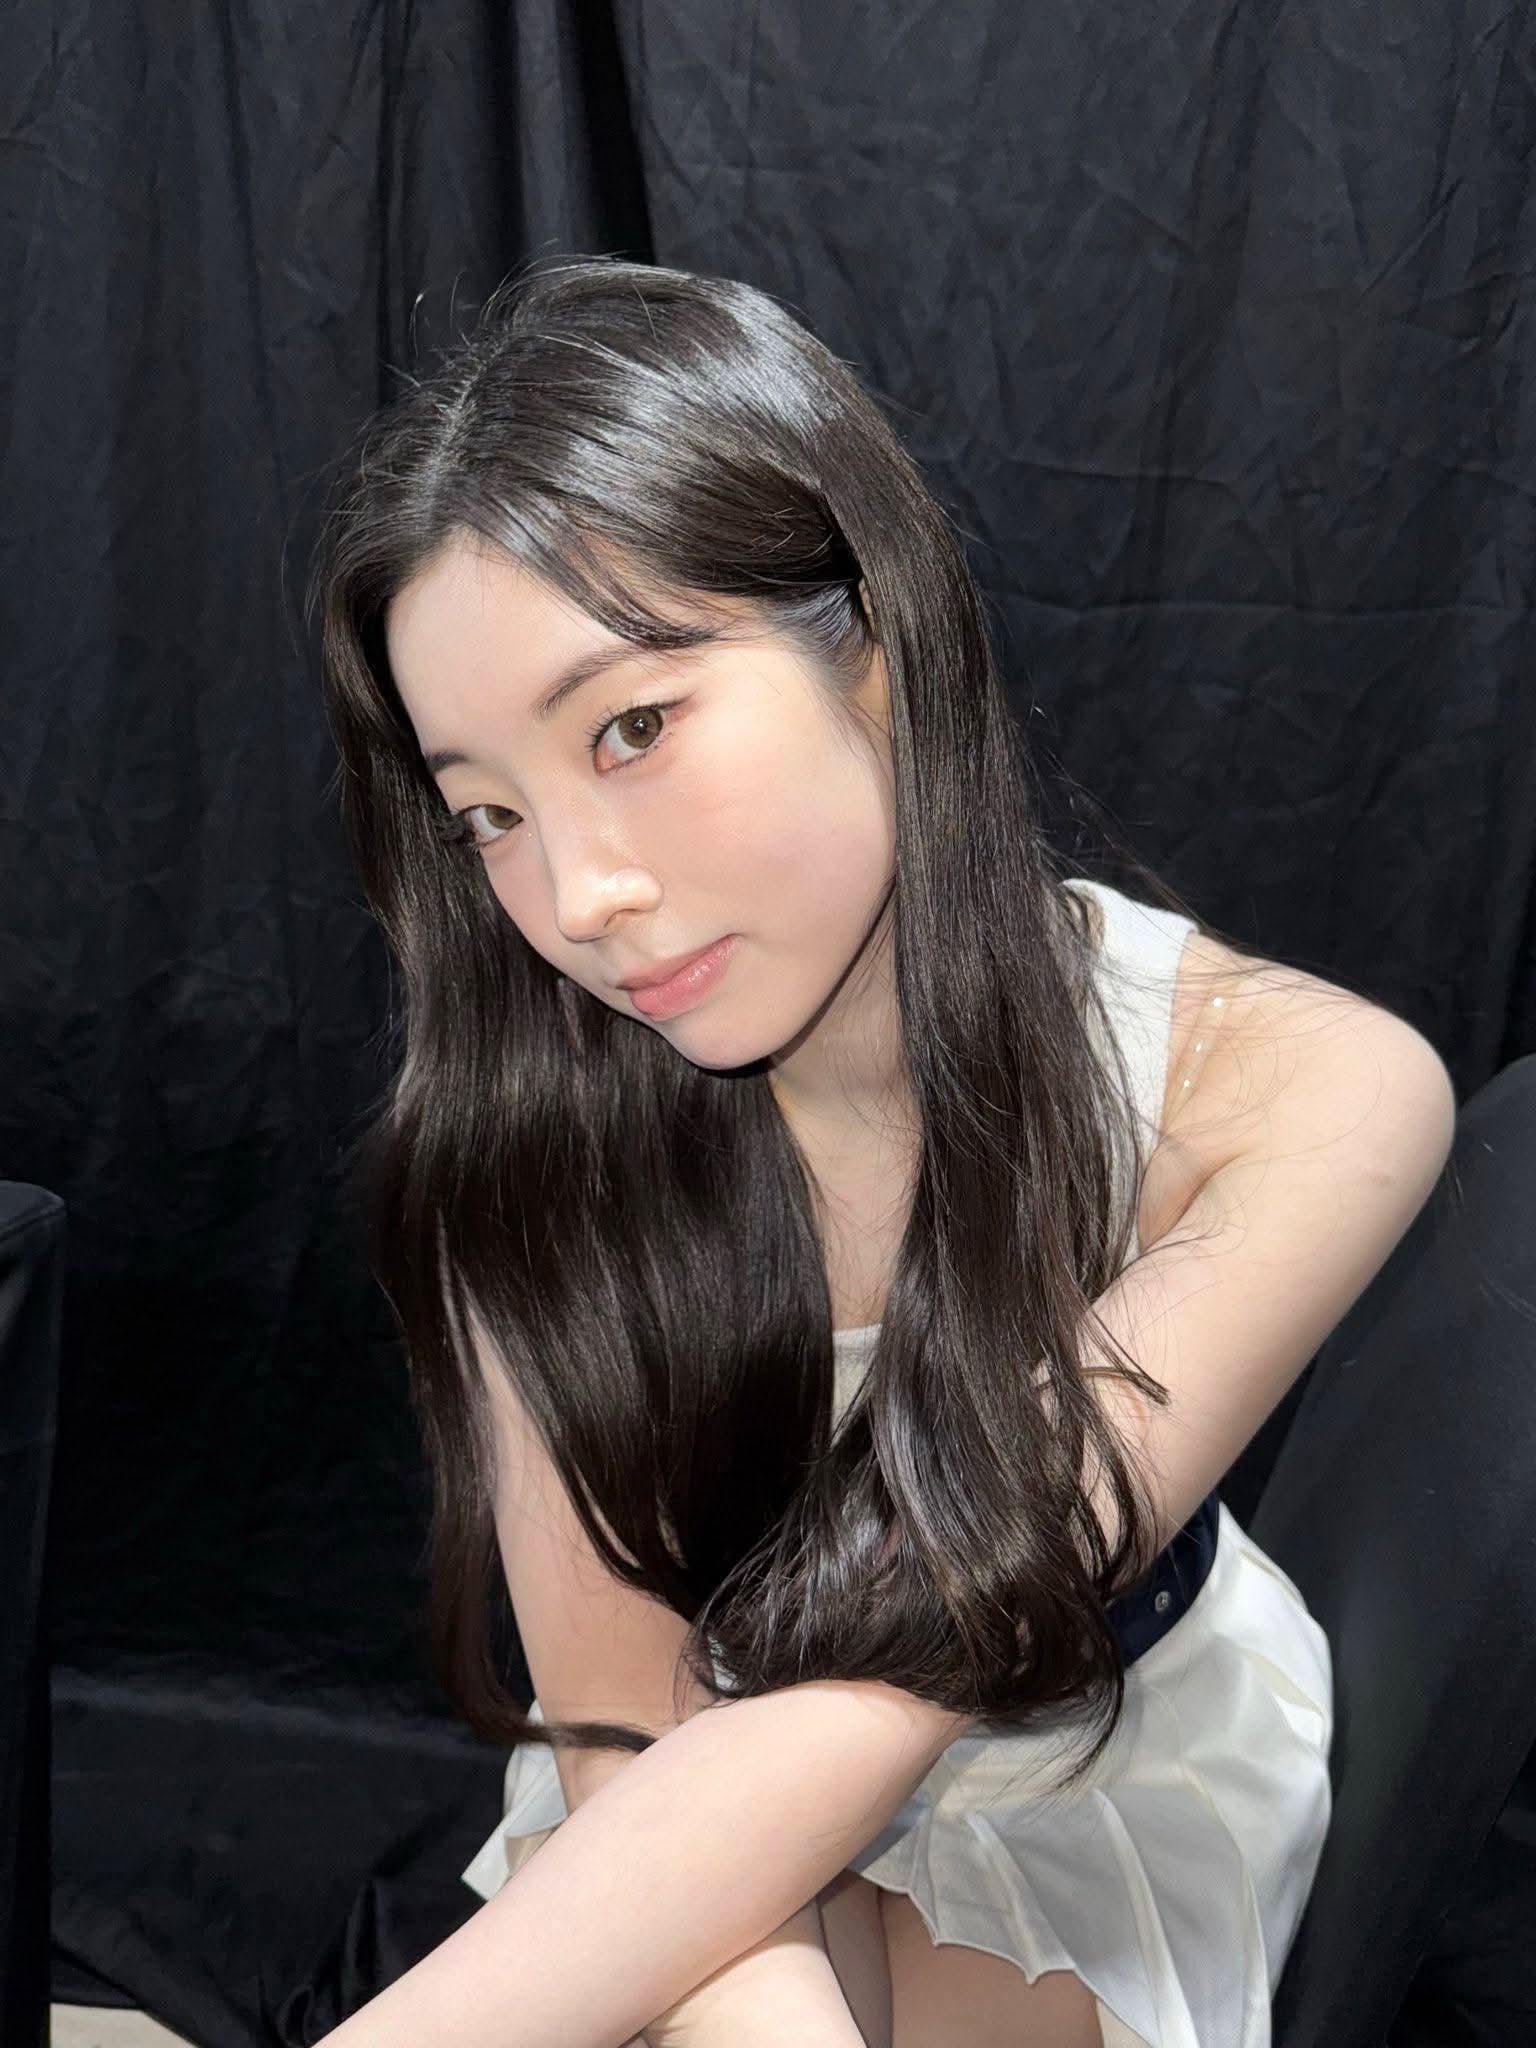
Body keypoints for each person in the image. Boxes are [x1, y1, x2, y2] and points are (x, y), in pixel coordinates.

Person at [305, 256, 1457, 2048]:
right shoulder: (531, 1141)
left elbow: (928, 1639)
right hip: (679, 1772)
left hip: (1087, 1738)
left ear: (884, 645)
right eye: (490, 816)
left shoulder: (1296, 1085)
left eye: (633, 727)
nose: (579, 895)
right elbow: (629, 1738)